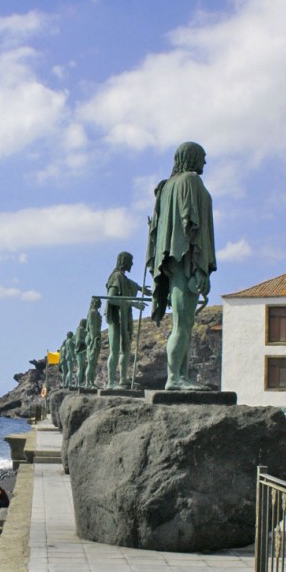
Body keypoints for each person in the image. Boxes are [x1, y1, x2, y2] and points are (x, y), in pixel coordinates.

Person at [145, 142, 216, 391]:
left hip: (173, 263)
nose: (205, 162)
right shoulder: (190, 181)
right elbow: (191, 225)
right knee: (182, 324)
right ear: (192, 157)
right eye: (202, 157)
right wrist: (199, 267)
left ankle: (181, 376)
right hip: (186, 262)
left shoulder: (167, 187)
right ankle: (175, 378)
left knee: (182, 323)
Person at [105, 251, 148, 388]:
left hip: (124, 319)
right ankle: (111, 382)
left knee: (125, 349)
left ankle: (123, 379)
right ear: (124, 260)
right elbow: (111, 298)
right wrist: (132, 303)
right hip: (116, 319)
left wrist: (142, 289)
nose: (132, 264)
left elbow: (130, 284)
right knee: (115, 350)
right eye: (130, 261)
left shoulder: (122, 277)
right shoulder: (116, 277)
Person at [84, 297, 102, 388]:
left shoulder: (95, 312)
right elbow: (92, 326)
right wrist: (94, 338)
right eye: (99, 302)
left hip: (95, 337)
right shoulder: (92, 312)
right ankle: (88, 383)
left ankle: (91, 382)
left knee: (93, 363)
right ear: (95, 302)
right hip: (93, 338)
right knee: (91, 362)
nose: (101, 304)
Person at [74, 318, 88, 389]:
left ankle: (79, 382)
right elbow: (79, 340)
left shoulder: (78, 329)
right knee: (81, 367)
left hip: (80, 350)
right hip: (80, 350)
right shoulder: (81, 329)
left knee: (81, 367)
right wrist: (86, 343)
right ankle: (79, 383)